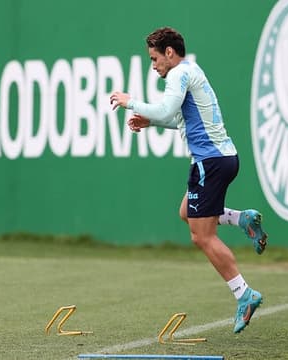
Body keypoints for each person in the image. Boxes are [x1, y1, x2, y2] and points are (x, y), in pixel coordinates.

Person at [110, 27, 268, 333]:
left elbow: (167, 108)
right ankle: (242, 219)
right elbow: (179, 118)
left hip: (209, 162)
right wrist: (150, 120)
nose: (153, 65)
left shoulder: (179, 74)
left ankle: (244, 294)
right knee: (187, 213)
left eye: (154, 58)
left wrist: (131, 102)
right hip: (223, 158)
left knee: (201, 236)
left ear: (170, 52)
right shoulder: (191, 71)